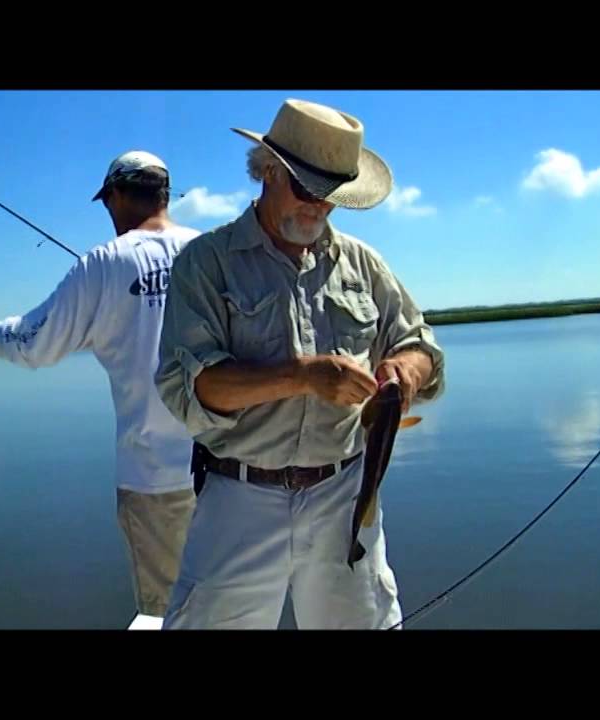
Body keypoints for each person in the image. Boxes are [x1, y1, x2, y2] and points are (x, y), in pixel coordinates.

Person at [154, 99, 446, 629]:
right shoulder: (205, 262)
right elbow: (193, 391)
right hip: (238, 495)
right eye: (307, 189)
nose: (318, 207)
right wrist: (303, 376)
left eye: (331, 196)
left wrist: (406, 372)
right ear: (267, 171)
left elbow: (420, 344)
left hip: (345, 496)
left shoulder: (363, 263)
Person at [0, 151, 200, 620]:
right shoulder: (212, 253)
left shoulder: (101, 263)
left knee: (169, 612)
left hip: (152, 481)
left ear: (117, 195)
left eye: (107, 203)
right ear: (165, 194)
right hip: (234, 474)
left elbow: (30, 344)